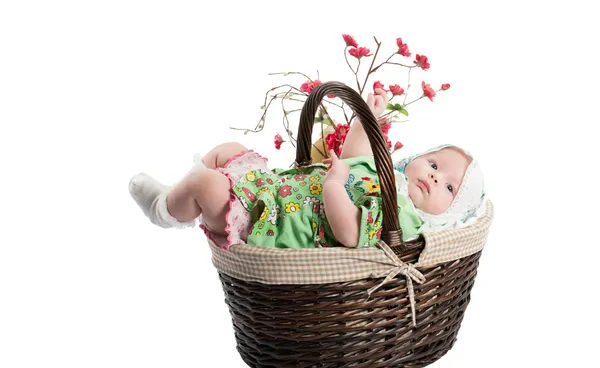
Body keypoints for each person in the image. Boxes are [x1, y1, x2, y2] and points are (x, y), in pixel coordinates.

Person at [129, 88, 485, 250]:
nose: (436, 176)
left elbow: (348, 233)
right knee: (229, 151)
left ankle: (164, 210)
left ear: (448, 214)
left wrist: (334, 187)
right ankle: (178, 200)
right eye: (435, 163)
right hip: (272, 191)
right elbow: (355, 154)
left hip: (271, 222)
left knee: (208, 184)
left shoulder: (403, 219)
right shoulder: (386, 176)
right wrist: (369, 117)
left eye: (449, 188)